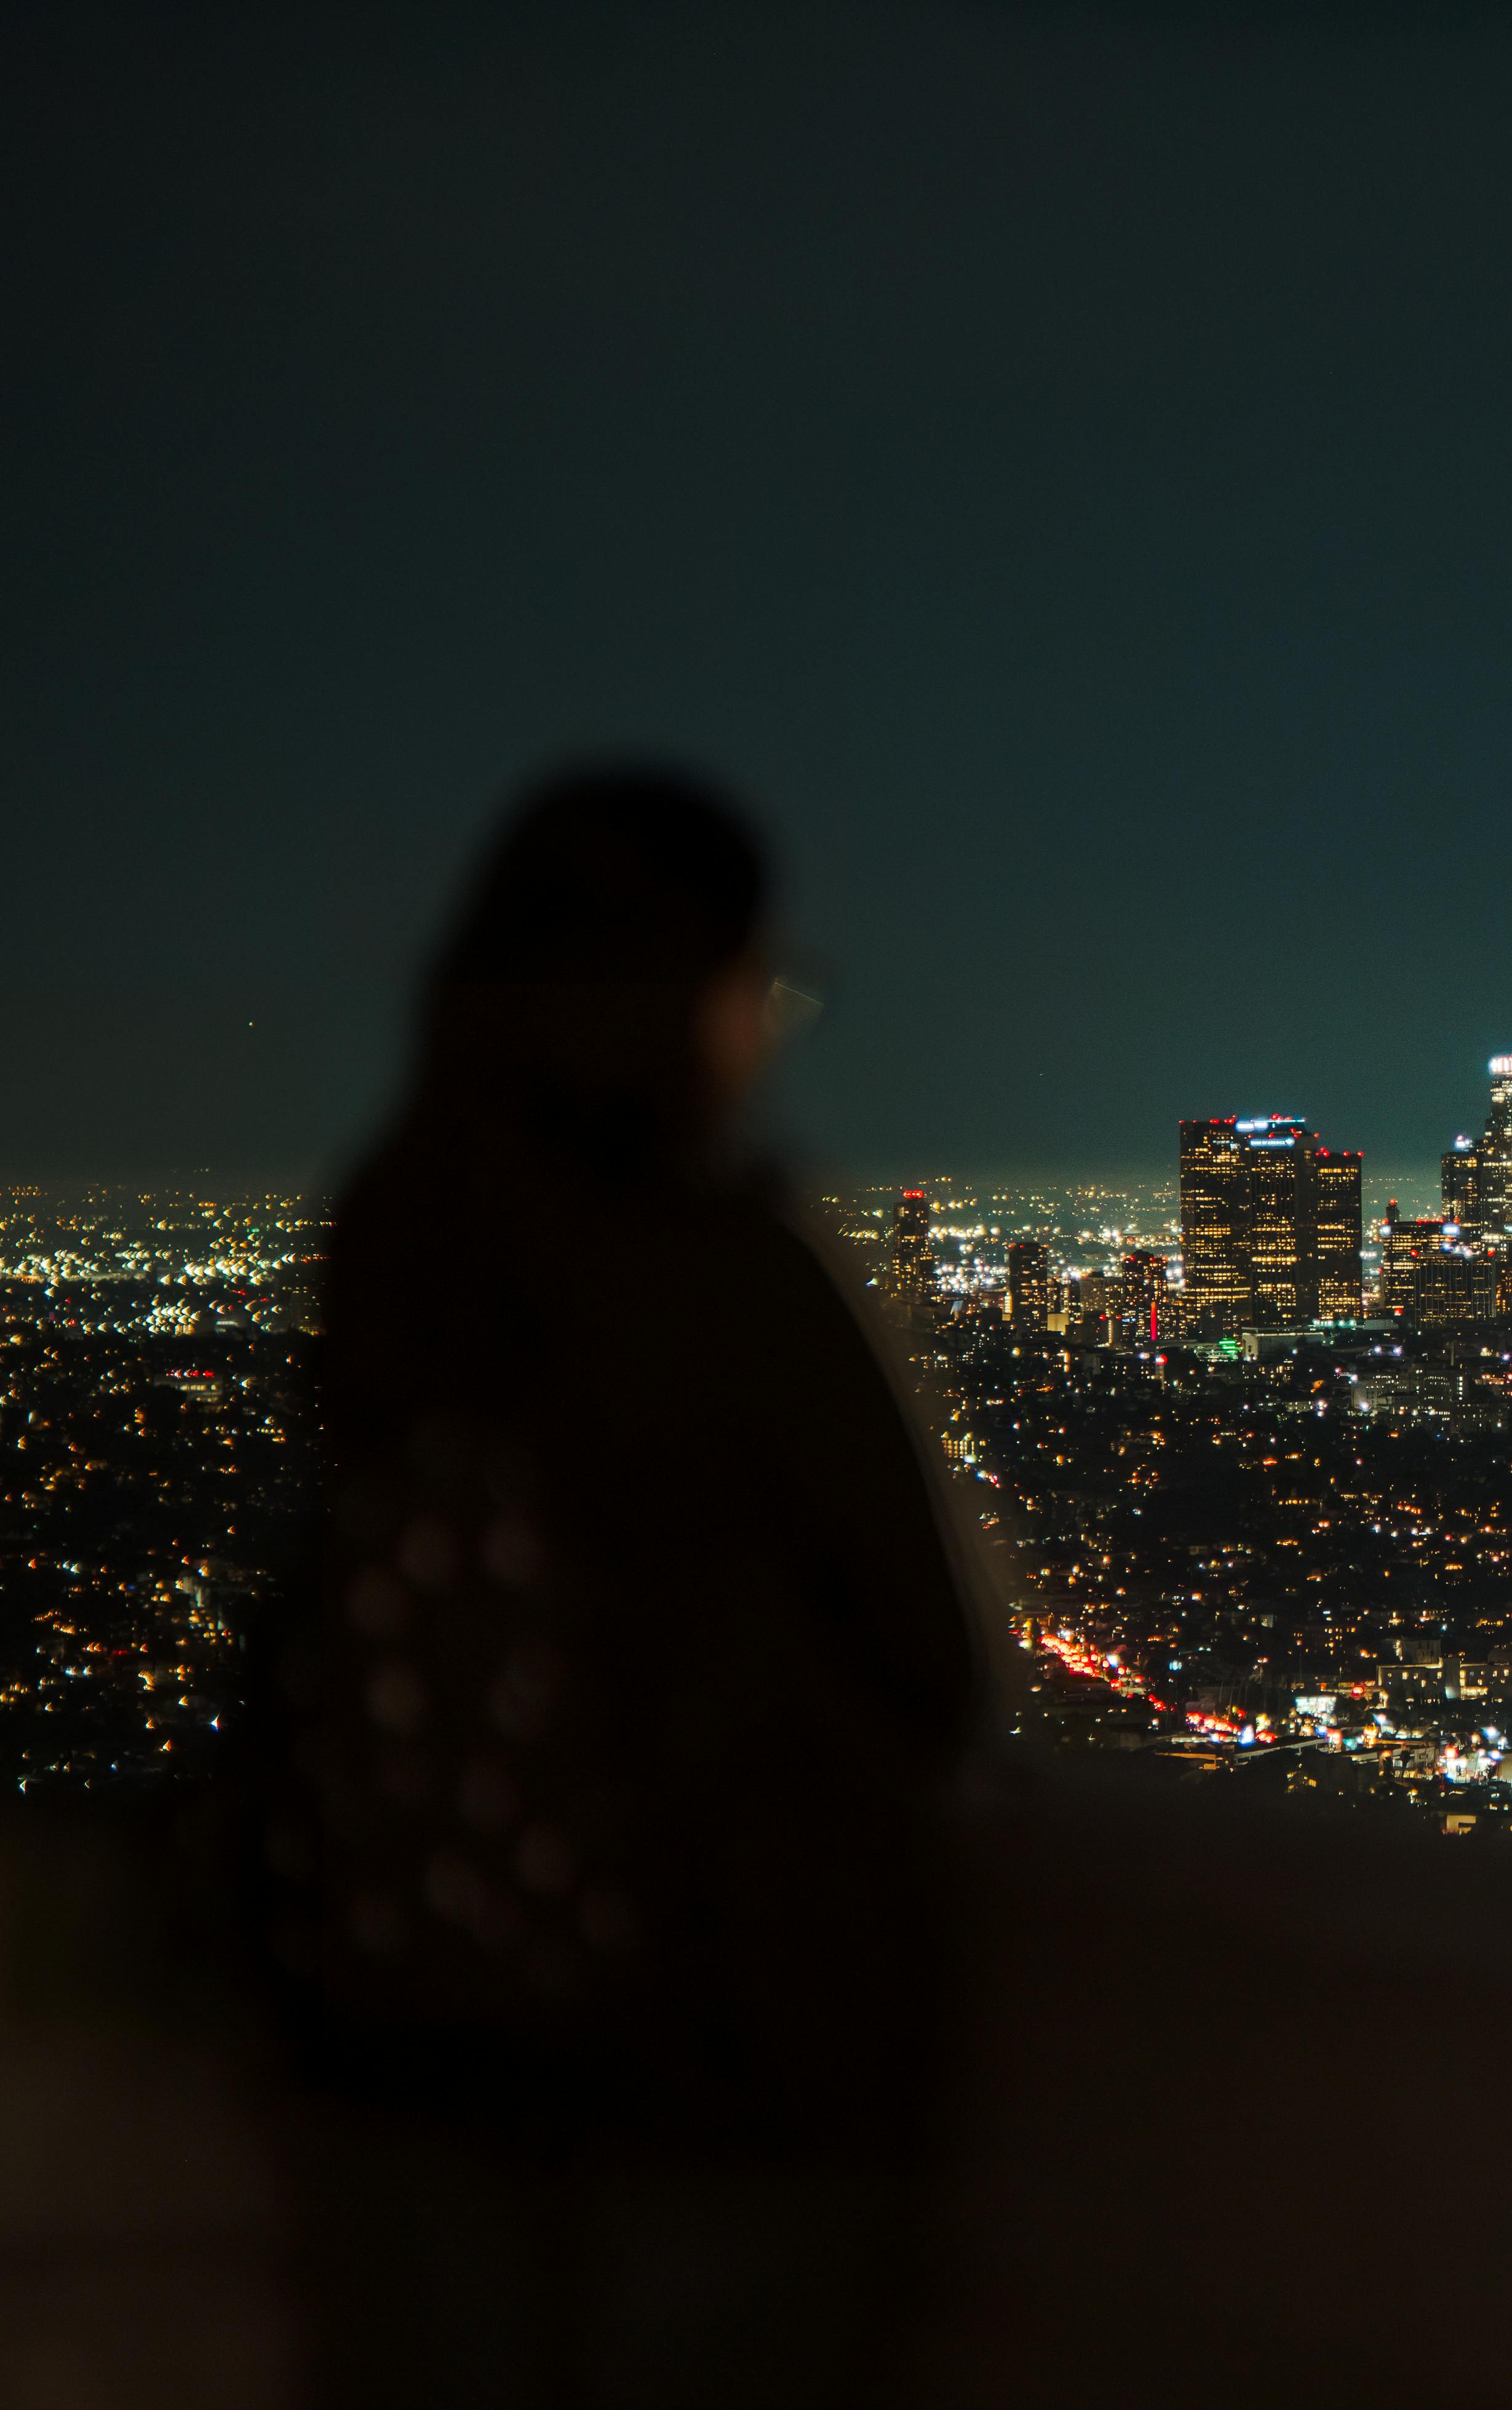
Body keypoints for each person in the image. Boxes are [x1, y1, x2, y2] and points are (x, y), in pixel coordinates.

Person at [244, 765, 990, 2408]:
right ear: (687, 1003)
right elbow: (928, 1668)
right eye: (755, 987)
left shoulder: (397, 1247)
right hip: (723, 2048)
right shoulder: (723, 1278)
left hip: (412, 2027)